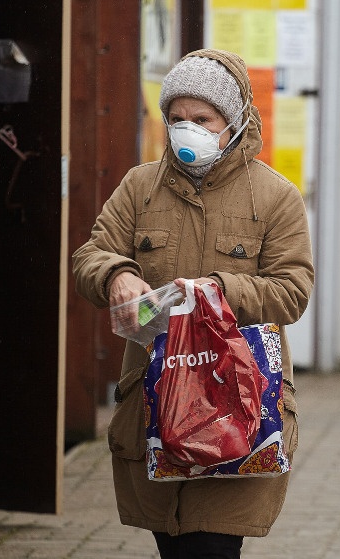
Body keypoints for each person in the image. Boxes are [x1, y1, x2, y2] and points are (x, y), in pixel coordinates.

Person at [73, 48, 314, 558]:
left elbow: (292, 290)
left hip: (237, 407)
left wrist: (218, 291)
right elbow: (90, 256)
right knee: (174, 546)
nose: (187, 129)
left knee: (210, 548)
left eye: (202, 119)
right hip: (157, 408)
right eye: (176, 118)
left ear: (234, 120)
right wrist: (117, 275)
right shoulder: (140, 187)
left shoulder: (275, 197)